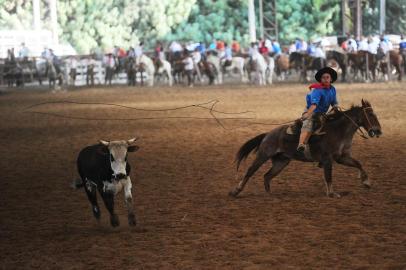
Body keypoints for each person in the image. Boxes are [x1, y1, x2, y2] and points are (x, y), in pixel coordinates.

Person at [297, 67, 339, 152]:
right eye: (323, 78)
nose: (326, 79)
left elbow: (334, 102)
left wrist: (335, 107)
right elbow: (314, 105)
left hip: (322, 113)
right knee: (308, 125)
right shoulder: (317, 90)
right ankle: (301, 144)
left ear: (331, 79)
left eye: (327, 77)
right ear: (321, 80)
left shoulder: (332, 89)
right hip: (311, 110)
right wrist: (307, 114)